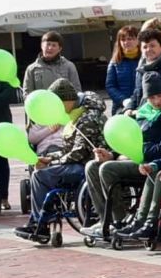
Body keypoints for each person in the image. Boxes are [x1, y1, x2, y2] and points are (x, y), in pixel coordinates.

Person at [89, 73, 161, 237]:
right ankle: (105, 219)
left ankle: (121, 220)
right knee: (92, 166)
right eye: (152, 97)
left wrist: (137, 152)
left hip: (154, 162)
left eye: (160, 95)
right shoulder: (142, 112)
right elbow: (131, 138)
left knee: (107, 169)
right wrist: (112, 153)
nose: (157, 101)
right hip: (135, 158)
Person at [17, 80, 104, 240]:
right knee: (41, 170)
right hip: (80, 162)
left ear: (66, 100)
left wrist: (53, 162)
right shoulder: (76, 113)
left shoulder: (87, 117)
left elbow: (78, 152)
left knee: (39, 176)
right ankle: (40, 221)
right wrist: (50, 157)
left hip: (87, 166)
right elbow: (69, 150)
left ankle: (39, 224)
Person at [21, 31, 80, 97]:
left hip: (63, 106)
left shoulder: (69, 66)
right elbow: (27, 94)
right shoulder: (32, 69)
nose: (50, 48)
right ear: (41, 46)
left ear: (60, 49)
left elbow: (77, 91)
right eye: (48, 44)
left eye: (54, 45)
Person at [101, 26, 142, 111]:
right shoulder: (114, 62)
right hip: (121, 107)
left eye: (130, 39)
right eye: (123, 40)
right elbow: (110, 86)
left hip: (142, 105)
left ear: (137, 40)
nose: (126, 42)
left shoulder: (145, 60)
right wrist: (123, 100)